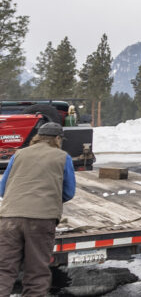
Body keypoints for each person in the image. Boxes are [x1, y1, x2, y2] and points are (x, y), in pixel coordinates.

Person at [0, 122, 76, 297]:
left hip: (9, 219)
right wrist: (50, 200)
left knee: (3, 270)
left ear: (37, 137)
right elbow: (68, 191)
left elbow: (3, 188)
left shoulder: (18, 154)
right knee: (36, 273)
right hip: (41, 220)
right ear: (57, 139)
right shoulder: (62, 157)